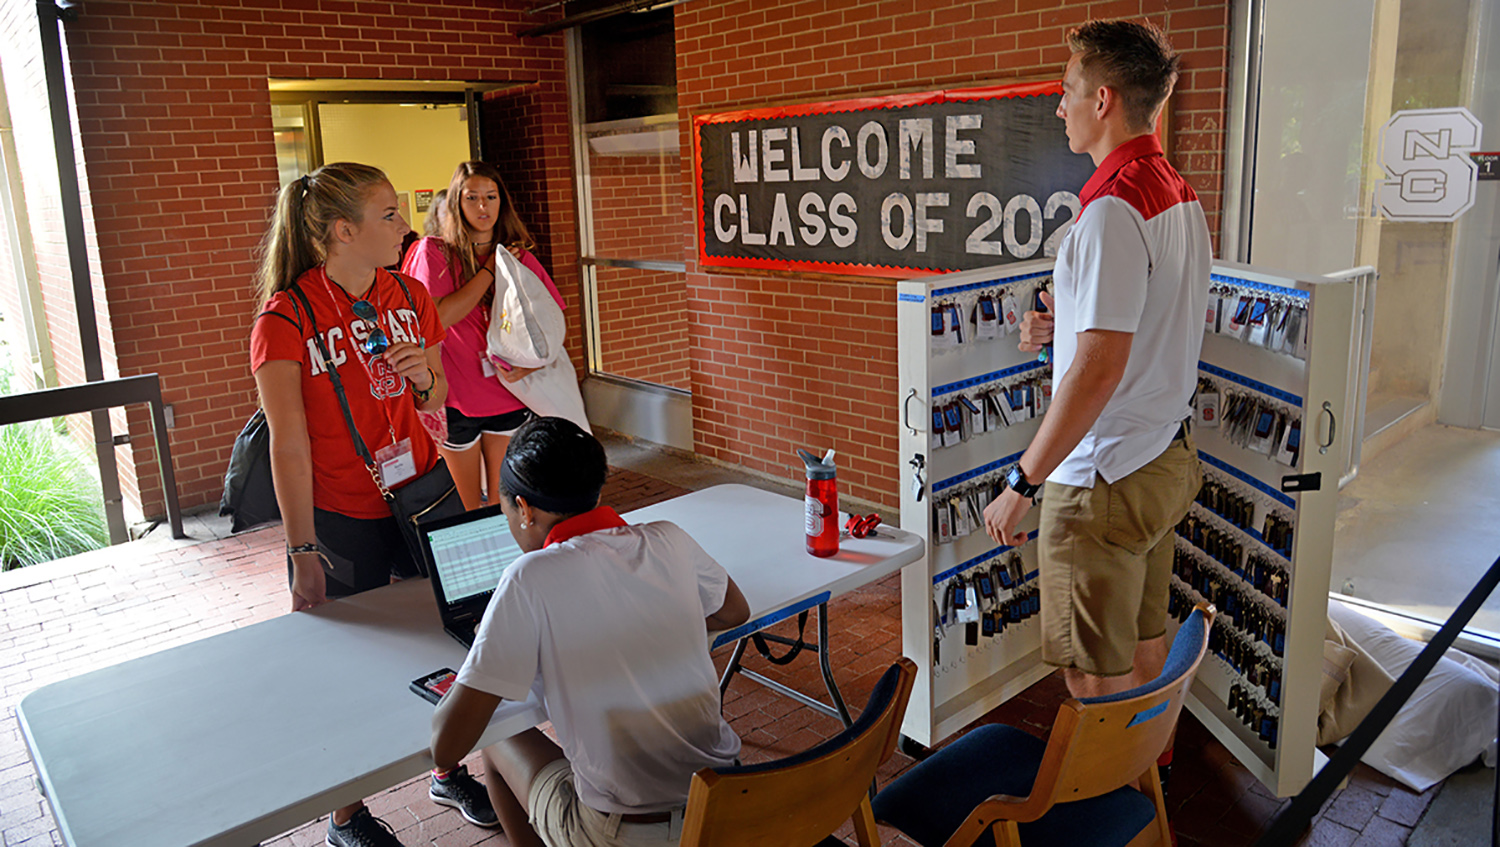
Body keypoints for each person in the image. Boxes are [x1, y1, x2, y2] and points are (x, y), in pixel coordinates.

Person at [249, 162, 498, 847]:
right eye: (389, 214)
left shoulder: (409, 293)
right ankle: (346, 813)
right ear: (342, 231)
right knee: (351, 666)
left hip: (423, 491)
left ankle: (448, 768)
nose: (404, 226)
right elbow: (289, 448)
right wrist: (301, 551)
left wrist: (426, 384)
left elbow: (439, 394)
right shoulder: (285, 319)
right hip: (341, 513)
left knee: (461, 629)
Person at [981, 19, 1210, 705]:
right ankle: (1143, 797)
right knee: (1141, 653)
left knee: (1092, 678)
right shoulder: (1175, 193)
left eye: (1068, 90)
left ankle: (1102, 806)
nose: (1060, 106)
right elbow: (1147, 326)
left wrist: (1024, 479)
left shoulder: (1112, 211)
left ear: (1103, 99)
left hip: (1102, 479)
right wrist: (1063, 326)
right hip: (1160, 460)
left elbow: (1100, 369)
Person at [430, 417, 751, 847]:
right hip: (725, 803)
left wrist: (482, 662)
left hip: (627, 833)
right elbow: (734, 610)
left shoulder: (530, 577)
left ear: (524, 509)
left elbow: (446, 747)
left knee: (497, 740)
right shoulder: (668, 538)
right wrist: (649, 618)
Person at [402, 161, 568, 510]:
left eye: (491, 197)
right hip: (455, 399)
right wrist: (491, 269)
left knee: (502, 502)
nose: (482, 207)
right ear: (456, 203)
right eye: (472, 198)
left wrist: (531, 367)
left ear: (501, 202)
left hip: (507, 394)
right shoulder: (434, 252)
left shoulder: (518, 254)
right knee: (463, 507)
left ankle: (501, 566)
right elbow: (438, 318)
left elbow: (550, 324)